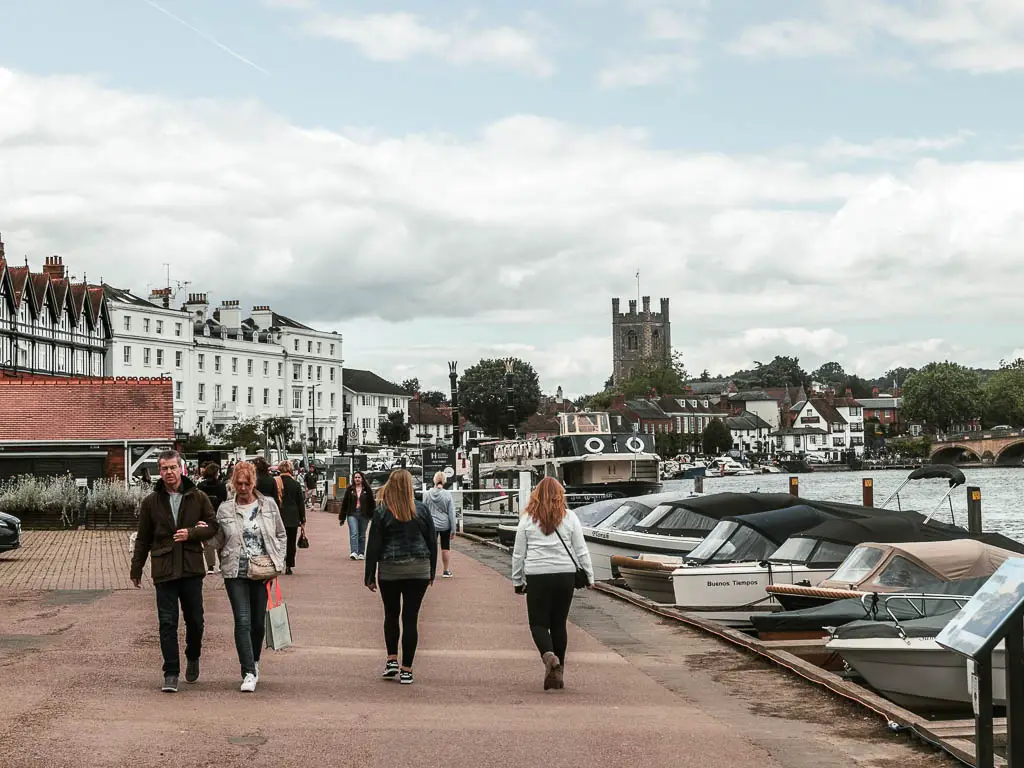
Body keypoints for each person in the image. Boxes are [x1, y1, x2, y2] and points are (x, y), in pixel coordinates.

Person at [130, 450, 218, 693]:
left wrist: (192, 533)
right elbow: (143, 538)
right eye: (164, 468)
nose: (169, 472)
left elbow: (213, 526)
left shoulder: (198, 497)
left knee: (195, 621)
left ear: (181, 469)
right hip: (164, 567)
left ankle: (193, 654)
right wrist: (136, 568)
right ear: (160, 471)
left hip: (190, 567)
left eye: (172, 467)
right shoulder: (151, 502)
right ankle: (170, 672)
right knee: (167, 623)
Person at [511, 477, 594, 691]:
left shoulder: (527, 518)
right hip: (564, 576)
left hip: (538, 576)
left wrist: (517, 580)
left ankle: (549, 656)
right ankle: (560, 672)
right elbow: (581, 550)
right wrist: (590, 577)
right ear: (560, 495)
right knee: (559, 624)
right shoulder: (570, 517)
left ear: (536, 495)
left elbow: (519, 554)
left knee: (538, 624)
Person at [211, 460, 287, 693]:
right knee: (242, 620)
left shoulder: (268, 505)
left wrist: (278, 560)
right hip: (235, 570)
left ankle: (254, 660)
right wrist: (200, 534)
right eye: (238, 483)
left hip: (261, 569)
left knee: (256, 622)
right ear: (233, 483)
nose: (242, 488)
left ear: (253, 483)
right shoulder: (225, 508)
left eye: (246, 483)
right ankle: (248, 672)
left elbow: (281, 534)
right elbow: (218, 540)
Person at [363, 469, 437, 685]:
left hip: (390, 569)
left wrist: (369, 574)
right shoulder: (421, 510)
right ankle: (407, 670)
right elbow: (432, 541)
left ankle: (391, 660)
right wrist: (432, 570)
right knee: (410, 618)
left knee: (391, 614)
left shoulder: (382, 511)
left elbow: (374, 545)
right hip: (419, 569)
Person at [423, 471, 457, 578]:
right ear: (444, 481)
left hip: (431, 524)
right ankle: (446, 571)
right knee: (445, 547)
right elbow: (451, 512)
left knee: (431, 548)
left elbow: (423, 510)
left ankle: (430, 571)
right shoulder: (447, 494)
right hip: (445, 525)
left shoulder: (427, 494)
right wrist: (453, 529)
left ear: (434, 480)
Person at [196, 462, 228, 574]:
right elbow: (225, 500)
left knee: (207, 542)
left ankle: (210, 566)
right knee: (220, 540)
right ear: (216, 473)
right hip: (219, 514)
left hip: (205, 515)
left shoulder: (200, 486)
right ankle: (221, 564)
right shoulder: (221, 485)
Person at [276, 460, 307, 575]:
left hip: (279, 515)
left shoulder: (276, 483)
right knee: (291, 541)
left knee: (278, 541)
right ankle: (289, 565)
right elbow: (300, 502)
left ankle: (278, 562)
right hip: (293, 516)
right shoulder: (296, 484)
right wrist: (303, 518)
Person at [340, 471, 374, 560]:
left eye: (359, 477)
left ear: (362, 479)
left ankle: (361, 553)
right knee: (354, 533)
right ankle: (354, 552)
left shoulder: (367, 489)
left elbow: (372, 503)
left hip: (364, 514)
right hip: (352, 513)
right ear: (353, 479)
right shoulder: (349, 489)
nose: (357, 479)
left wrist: (372, 515)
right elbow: (345, 503)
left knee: (362, 534)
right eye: (355, 477)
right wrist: (342, 517)